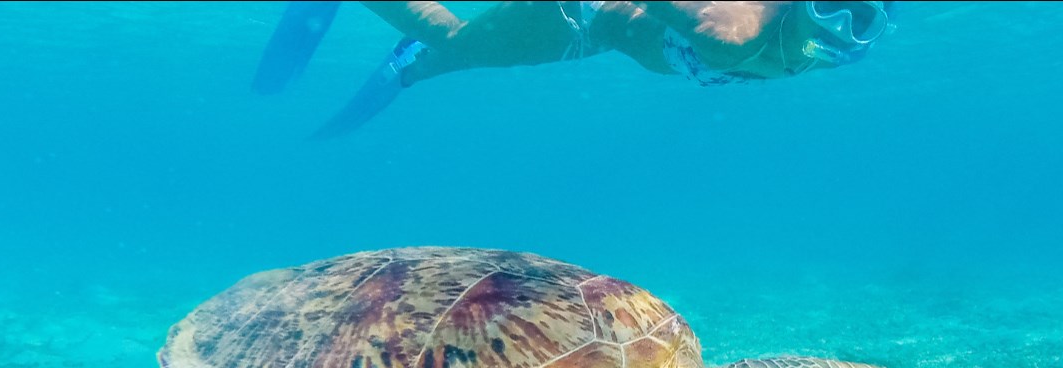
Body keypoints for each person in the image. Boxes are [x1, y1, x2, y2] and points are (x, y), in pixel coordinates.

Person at [253, 1, 898, 138]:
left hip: (607, 34)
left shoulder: (814, 51)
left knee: (468, 54)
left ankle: (419, 67)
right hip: (586, 13)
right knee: (459, 39)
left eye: (862, 19)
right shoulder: (731, 34)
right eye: (832, 9)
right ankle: (416, 51)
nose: (839, 29)